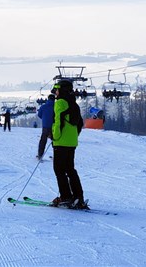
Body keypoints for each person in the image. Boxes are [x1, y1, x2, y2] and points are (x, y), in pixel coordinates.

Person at [51, 80, 87, 209]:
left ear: (61, 90)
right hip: (71, 142)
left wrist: (55, 136)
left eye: (56, 89)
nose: (55, 92)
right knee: (70, 169)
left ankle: (66, 197)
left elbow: (58, 120)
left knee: (59, 169)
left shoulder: (60, 102)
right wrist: (74, 136)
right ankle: (78, 196)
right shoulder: (74, 104)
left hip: (61, 141)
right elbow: (80, 123)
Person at [36, 92, 55, 160]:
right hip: (54, 126)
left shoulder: (43, 106)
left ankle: (40, 155)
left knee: (43, 141)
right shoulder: (56, 106)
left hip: (45, 126)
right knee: (55, 141)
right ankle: (56, 156)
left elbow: (39, 115)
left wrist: (44, 119)